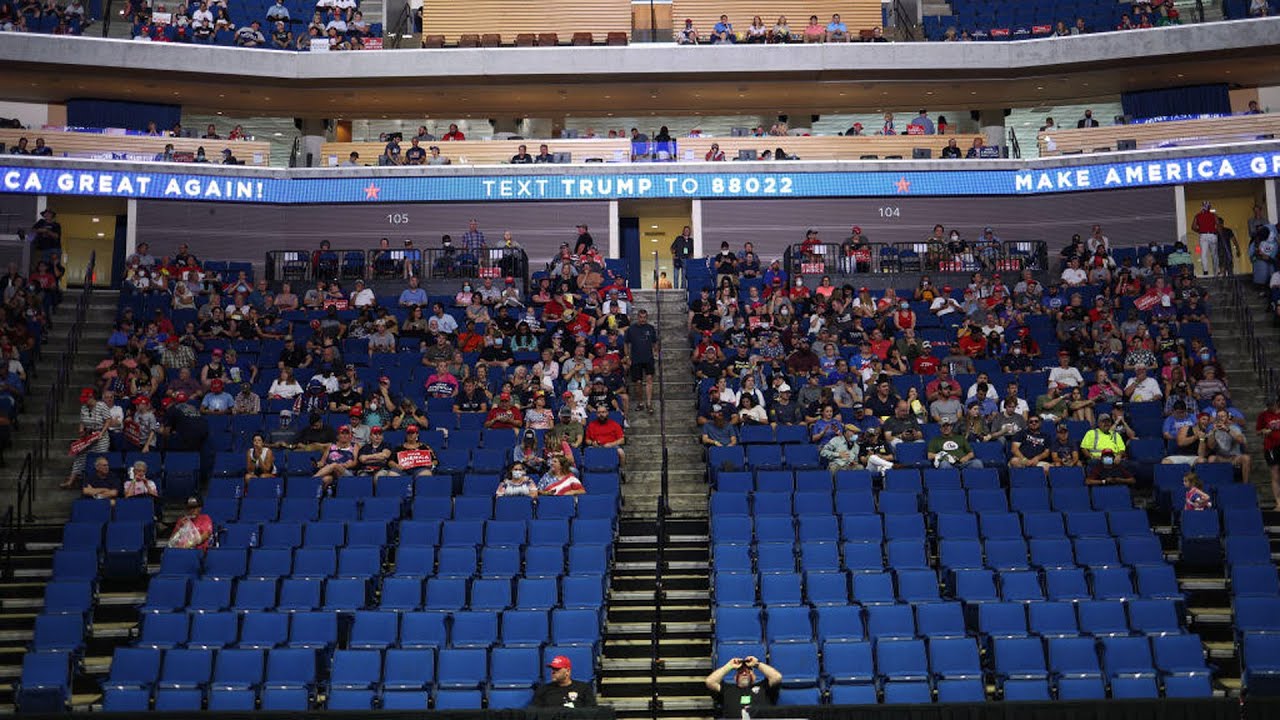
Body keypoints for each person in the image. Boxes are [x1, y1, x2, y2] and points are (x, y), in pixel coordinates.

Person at [64, 388, 116, 489]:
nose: (84, 401)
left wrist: (102, 432)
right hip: (88, 437)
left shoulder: (101, 406)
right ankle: (70, 481)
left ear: (91, 397)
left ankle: (95, 483)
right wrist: (81, 430)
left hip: (100, 437)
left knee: (99, 459)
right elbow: (82, 421)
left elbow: (108, 420)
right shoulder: (84, 407)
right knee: (80, 456)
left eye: (86, 399)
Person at [705, 656, 781, 714]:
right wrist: (729, 666)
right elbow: (710, 682)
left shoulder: (764, 687)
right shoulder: (728, 689)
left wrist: (757, 664)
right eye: (740, 672)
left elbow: (777, 677)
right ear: (735, 678)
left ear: (754, 677)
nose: (744, 673)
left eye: (748, 671)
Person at [530, 655, 596, 708]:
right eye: (552, 669)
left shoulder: (584, 688)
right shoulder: (543, 690)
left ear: (567, 671)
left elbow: (591, 712)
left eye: (557, 669)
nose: (553, 672)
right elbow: (535, 713)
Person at [1192, 202, 1219, 276]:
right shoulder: (1214, 215)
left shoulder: (1198, 215)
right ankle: (1216, 272)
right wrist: (1215, 231)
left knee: (1203, 254)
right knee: (1214, 254)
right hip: (1212, 234)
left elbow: (1193, 227)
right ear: (1209, 207)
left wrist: (1200, 231)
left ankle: (1205, 271)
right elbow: (1218, 225)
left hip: (1203, 235)